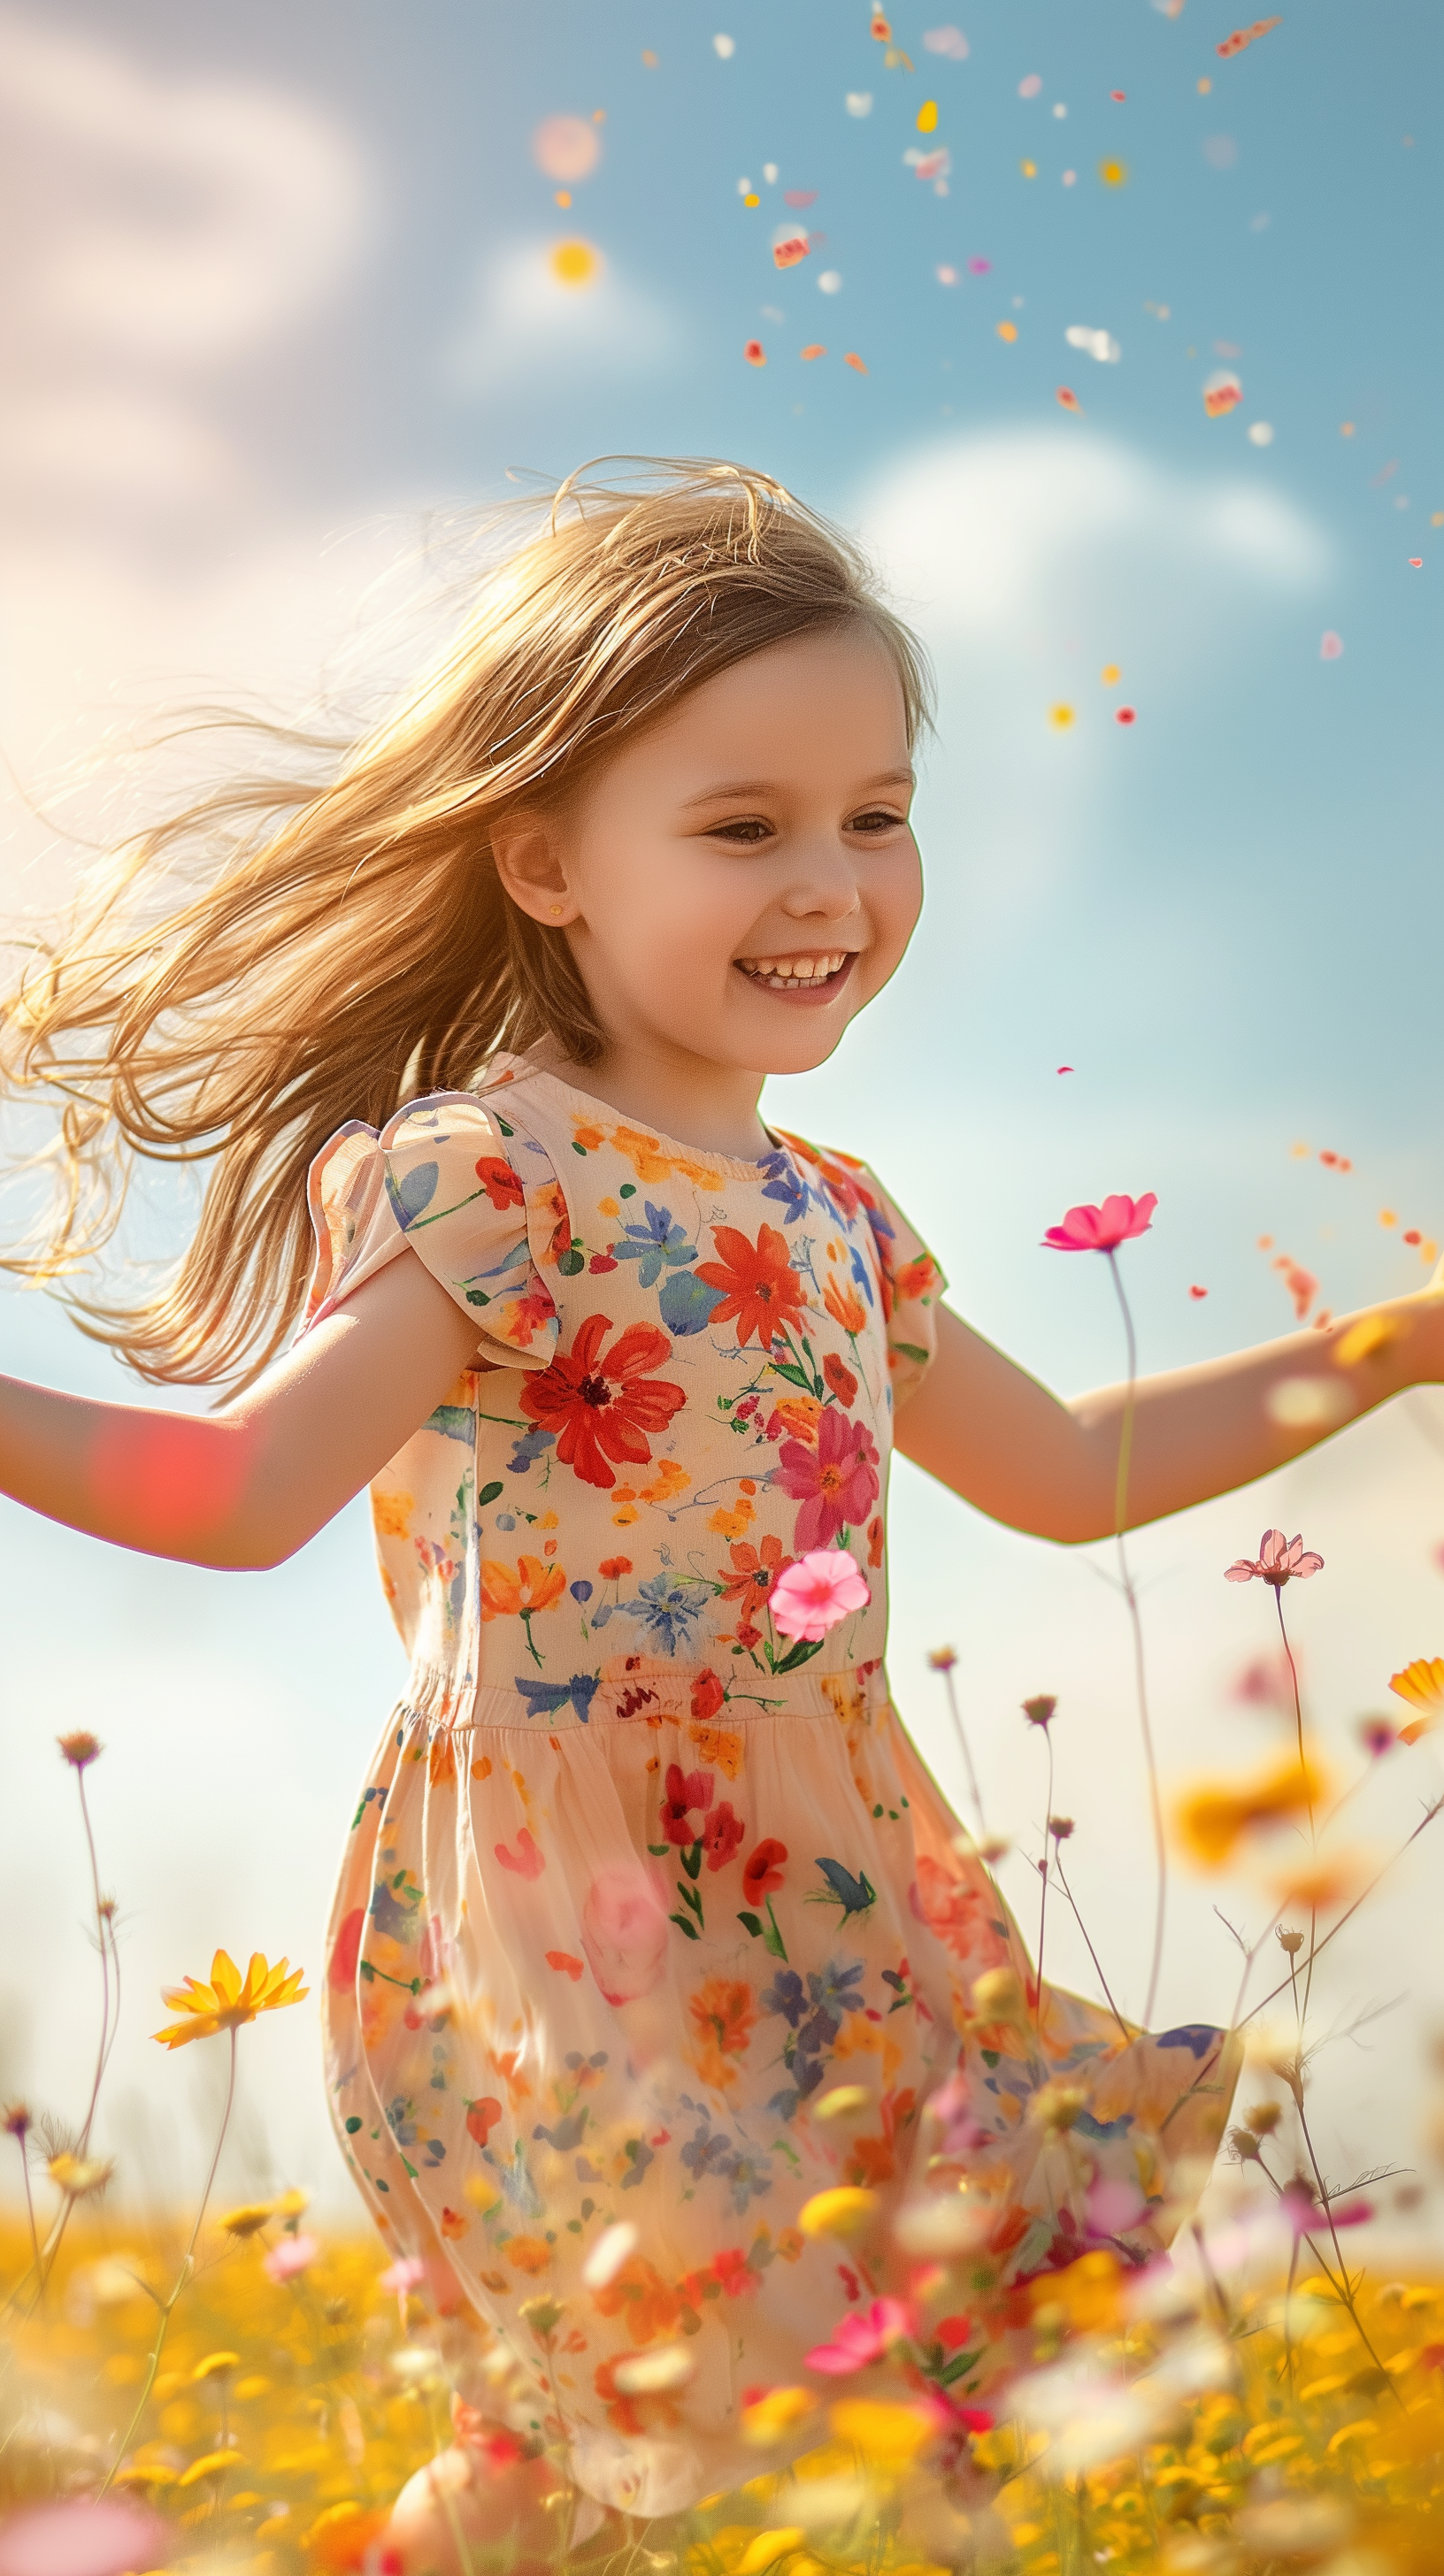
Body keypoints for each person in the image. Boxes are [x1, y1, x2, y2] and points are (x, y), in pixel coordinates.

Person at [1, 460, 1438, 2534]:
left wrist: (1395, 1338)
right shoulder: (494, 1175)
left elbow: (1073, 1474)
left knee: (880, 2426)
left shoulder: (839, 1219)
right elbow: (237, 1493)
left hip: (841, 1896)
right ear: (544, 859)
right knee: (666, 2421)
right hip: (575, 1917)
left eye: (878, 814)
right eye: (743, 826)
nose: (830, 883)